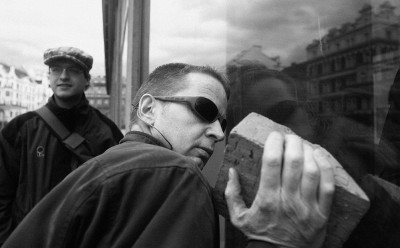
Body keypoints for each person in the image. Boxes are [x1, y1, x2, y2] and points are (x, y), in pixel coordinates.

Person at [2, 63, 335, 248]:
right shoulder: (171, 172)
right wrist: (276, 241)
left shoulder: (114, 163)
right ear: (148, 108)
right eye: (204, 110)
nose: (219, 134)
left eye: (223, 123)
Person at [0, 47, 124, 245]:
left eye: (73, 71)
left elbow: (118, 198)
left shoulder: (106, 132)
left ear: (87, 81)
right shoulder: (21, 129)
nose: (64, 76)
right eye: (56, 70)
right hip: (30, 240)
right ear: (49, 78)